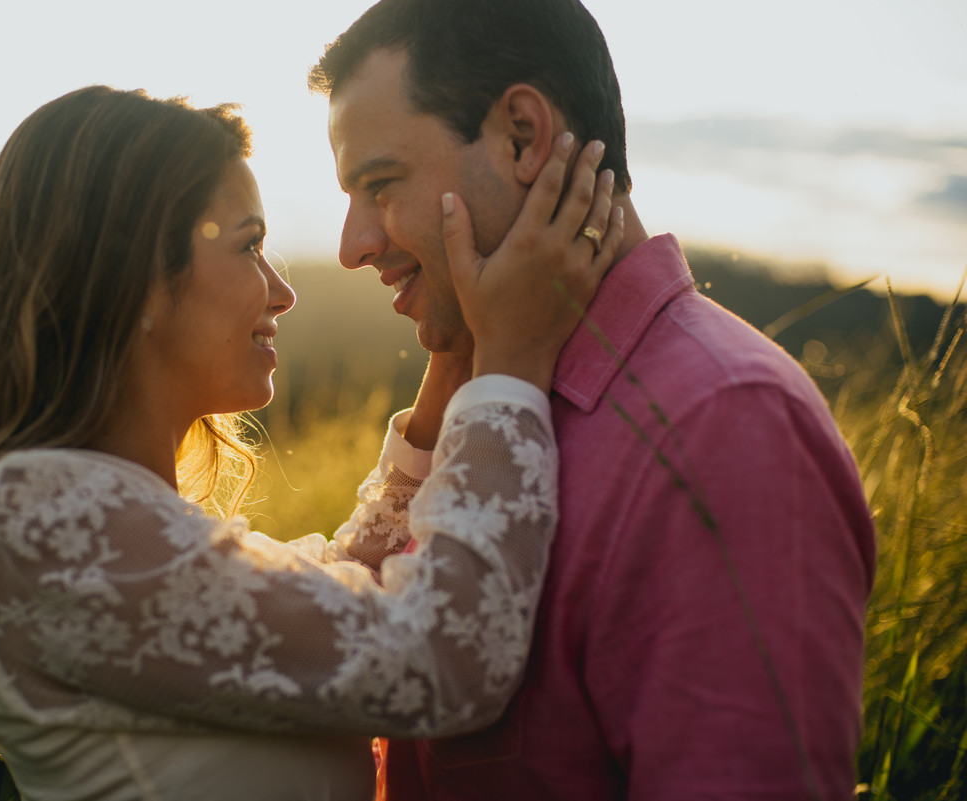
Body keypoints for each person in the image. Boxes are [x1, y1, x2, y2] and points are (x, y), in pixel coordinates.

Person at [0, 85, 623, 800]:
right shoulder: (38, 521)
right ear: (131, 277)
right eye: (249, 245)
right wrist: (511, 365)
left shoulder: (81, 515)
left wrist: (457, 358)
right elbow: (445, 657)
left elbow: (337, 616)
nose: (282, 290)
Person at [308, 1, 876, 798]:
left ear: (523, 137)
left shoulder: (722, 426)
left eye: (380, 184)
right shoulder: (493, 401)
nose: (353, 244)